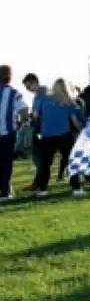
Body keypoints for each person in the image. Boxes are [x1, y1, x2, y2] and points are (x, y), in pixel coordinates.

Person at [32, 79, 83, 196]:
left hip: (47, 135)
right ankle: (76, 188)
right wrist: (83, 130)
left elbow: (35, 115)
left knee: (45, 165)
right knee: (71, 162)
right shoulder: (69, 101)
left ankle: (43, 189)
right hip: (65, 135)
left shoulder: (43, 98)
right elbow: (75, 122)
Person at [1, 65, 28, 200]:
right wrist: (21, 125)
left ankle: (5, 188)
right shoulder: (13, 93)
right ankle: (5, 191)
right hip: (7, 134)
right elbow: (23, 110)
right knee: (6, 163)